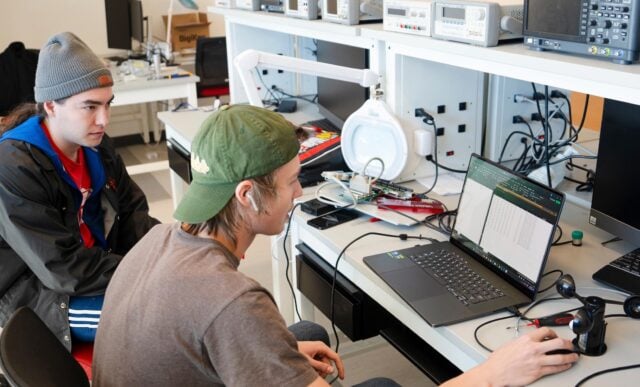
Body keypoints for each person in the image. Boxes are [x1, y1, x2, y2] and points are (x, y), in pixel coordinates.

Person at [93, 105, 578, 386]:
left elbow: (196, 342)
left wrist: (266, 359)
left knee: (305, 334)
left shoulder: (163, 238)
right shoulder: (232, 302)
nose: (299, 193)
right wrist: (493, 372)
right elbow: (227, 320)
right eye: (288, 183)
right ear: (246, 195)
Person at [0, 31, 159, 351]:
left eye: (107, 105)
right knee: (158, 318)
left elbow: (133, 216)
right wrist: (144, 269)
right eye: (89, 107)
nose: (103, 120)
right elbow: (62, 269)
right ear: (51, 106)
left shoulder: (96, 147)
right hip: (37, 295)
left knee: (188, 292)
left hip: (94, 271)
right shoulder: (13, 165)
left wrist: (173, 249)